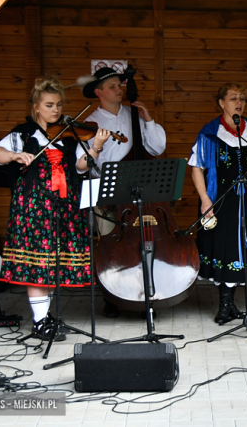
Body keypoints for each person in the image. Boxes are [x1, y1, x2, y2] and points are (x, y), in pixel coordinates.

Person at [0, 76, 111, 340]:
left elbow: (80, 167)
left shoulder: (68, 136)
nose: (55, 110)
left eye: (58, 104)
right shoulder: (23, 133)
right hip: (34, 207)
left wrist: (97, 147)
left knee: (54, 265)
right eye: (48, 105)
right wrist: (15, 155)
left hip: (64, 207)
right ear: (36, 107)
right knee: (38, 265)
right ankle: (40, 321)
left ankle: (44, 317)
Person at [78, 66, 167, 317]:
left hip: (137, 192)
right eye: (112, 86)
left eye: (120, 85)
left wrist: (147, 118)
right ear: (99, 92)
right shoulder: (91, 123)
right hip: (108, 194)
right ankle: (113, 296)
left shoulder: (134, 116)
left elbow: (158, 147)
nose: (119, 90)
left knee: (144, 243)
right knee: (112, 246)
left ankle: (144, 295)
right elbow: (81, 163)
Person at [190, 82, 247, 324]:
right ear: (221, 103)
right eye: (233, 98)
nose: (239, 102)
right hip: (220, 200)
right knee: (224, 248)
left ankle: (231, 304)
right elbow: (197, 167)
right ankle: (225, 304)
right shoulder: (209, 132)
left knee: (244, 249)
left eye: (242, 98)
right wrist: (205, 199)